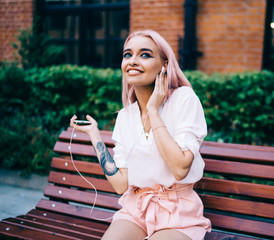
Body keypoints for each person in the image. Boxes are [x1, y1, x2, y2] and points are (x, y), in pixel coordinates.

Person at [70, 30, 211, 240]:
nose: (133, 61)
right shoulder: (125, 117)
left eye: (145, 55)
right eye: (128, 55)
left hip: (178, 213)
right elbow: (120, 185)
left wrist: (153, 110)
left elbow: (180, 168)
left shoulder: (184, 99)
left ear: (164, 65)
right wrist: (95, 135)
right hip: (136, 209)